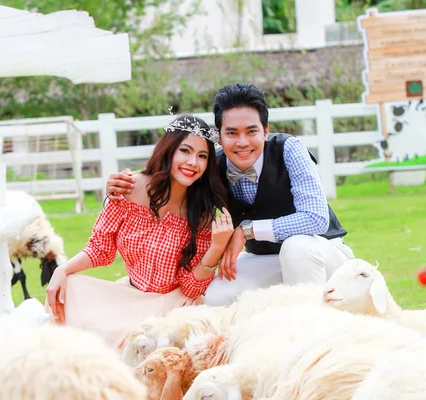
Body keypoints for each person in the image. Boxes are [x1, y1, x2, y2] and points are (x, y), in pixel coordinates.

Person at [106, 83, 355, 306]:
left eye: (251, 132)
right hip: (264, 258)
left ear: (265, 131)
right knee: (212, 297)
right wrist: (128, 183)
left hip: (323, 254)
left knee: (296, 247)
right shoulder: (212, 164)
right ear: (220, 136)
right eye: (232, 133)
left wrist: (246, 230)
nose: (242, 142)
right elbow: (173, 175)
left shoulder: (289, 150)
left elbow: (316, 219)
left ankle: (309, 332)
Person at [45, 114, 233, 348]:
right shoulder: (128, 187)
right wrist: (62, 269)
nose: (193, 162)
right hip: (130, 296)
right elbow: (100, 249)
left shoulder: (202, 213)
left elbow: (191, 287)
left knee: (143, 343)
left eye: (202, 156)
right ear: (168, 149)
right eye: (185, 151)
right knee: (69, 288)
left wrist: (216, 248)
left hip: (171, 305)